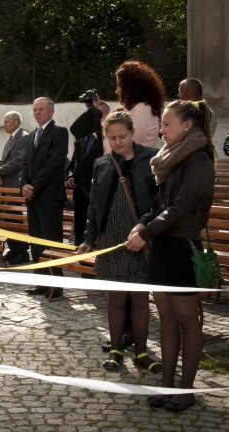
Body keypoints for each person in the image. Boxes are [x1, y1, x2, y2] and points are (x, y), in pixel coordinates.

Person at [127, 100, 215, 411]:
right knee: (165, 321)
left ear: (187, 125)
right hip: (162, 246)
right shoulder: (171, 158)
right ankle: (167, 386)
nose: (161, 131)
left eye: (166, 124)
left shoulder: (198, 160)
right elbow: (159, 203)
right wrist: (141, 223)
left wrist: (146, 234)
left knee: (188, 322)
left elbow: (181, 208)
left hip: (181, 248)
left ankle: (185, 391)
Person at [76, 110, 159, 373]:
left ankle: (142, 351)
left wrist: (145, 228)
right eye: (112, 138)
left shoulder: (151, 159)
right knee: (115, 297)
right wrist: (89, 237)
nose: (118, 142)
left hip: (139, 235)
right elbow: (94, 204)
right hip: (111, 235)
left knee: (139, 297)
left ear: (132, 133)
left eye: (122, 136)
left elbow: (159, 201)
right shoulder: (101, 163)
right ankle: (115, 348)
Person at [20, 97, 68, 298]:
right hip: (32, 197)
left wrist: (34, 186)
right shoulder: (32, 135)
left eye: (41, 109)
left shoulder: (59, 133)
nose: (37, 113)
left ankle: (56, 285)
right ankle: (40, 282)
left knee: (50, 241)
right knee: (36, 242)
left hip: (49, 196)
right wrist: (23, 185)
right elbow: (24, 164)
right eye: (35, 110)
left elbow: (54, 163)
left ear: (51, 111)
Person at [0, 111, 30, 264]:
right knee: (7, 219)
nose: (4, 124)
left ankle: (22, 252)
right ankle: (14, 250)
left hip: (16, 184)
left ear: (15, 122)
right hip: (7, 184)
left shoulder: (23, 137)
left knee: (16, 219)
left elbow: (19, 160)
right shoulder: (10, 139)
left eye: (6, 121)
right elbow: (3, 161)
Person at [68, 93, 105, 245]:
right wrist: (70, 175)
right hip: (80, 191)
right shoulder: (82, 138)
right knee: (80, 228)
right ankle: (81, 260)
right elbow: (73, 161)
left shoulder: (107, 140)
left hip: (96, 189)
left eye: (97, 113)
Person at [115, 60, 166, 148]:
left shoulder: (142, 110)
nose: (116, 91)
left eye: (119, 86)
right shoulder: (141, 108)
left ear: (131, 88)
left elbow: (121, 145)